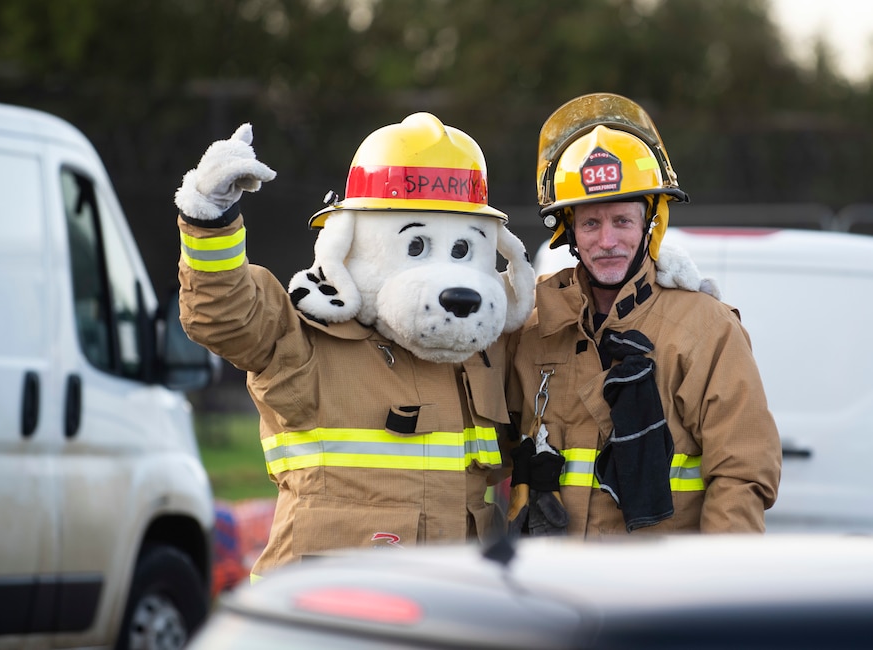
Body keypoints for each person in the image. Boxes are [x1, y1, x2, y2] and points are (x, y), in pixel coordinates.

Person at [173, 113, 537, 579]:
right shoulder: (302, 337)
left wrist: (653, 269)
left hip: (453, 598)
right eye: (417, 244)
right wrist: (210, 217)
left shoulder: (488, 348)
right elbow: (223, 315)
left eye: (464, 250)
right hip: (329, 608)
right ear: (349, 241)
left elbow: (573, 336)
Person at [505, 93, 781, 536]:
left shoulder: (706, 331)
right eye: (591, 224)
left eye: (622, 221)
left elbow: (742, 472)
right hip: (554, 584)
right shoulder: (533, 329)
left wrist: (722, 583)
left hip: (657, 590)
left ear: (651, 223)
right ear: (569, 232)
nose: (607, 240)